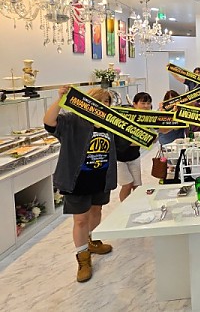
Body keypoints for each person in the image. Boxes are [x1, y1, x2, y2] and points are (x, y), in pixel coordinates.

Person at [43, 86, 117, 283]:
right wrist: (61, 99)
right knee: (81, 220)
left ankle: (92, 241)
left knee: (96, 211)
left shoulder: (110, 124)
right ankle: (83, 258)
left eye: (107, 102)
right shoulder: (72, 121)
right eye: (99, 101)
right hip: (77, 180)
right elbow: (49, 122)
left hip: (101, 178)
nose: (103, 105)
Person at [115, 92, 152, 202]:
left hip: (134, 156)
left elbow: (155, 135)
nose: (146, 106)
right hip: (119, 158)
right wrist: (145, 140)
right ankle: (124, 207)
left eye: (148, 103)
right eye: (143, 103)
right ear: (134, 104)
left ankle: (136, 206)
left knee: (137, 185)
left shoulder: (148, 119)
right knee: (127, 184)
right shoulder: (125, 117)